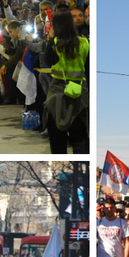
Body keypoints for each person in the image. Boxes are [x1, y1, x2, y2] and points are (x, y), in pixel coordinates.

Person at [43, 8, 89, 154]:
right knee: (80, 138)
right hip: (79, 94)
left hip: (58, 93)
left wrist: (50, 39)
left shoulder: (54, 43)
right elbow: (88, 68)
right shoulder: (85, 43)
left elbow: (48, 61)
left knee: (57, 139)